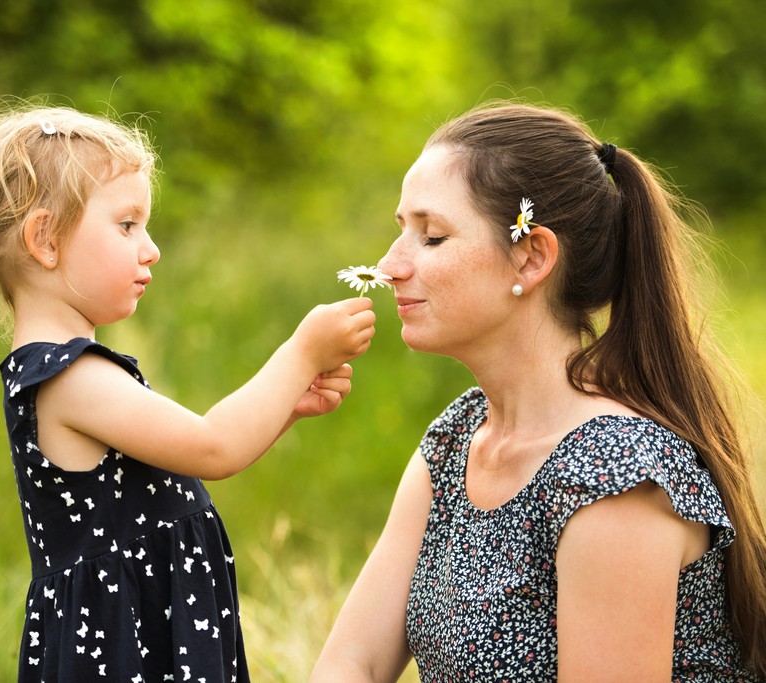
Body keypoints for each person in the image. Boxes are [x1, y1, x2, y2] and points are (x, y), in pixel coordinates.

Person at [0, 104, 376, 682]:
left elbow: (177, 459)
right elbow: (213, 446)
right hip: (129, 647)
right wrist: (301, 352)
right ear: (45, 239)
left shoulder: (67, 374)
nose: (150, 248)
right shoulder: (69, 378)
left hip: (145, 630)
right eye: (128, 225)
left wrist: (284, 409)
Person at [312, 102, 766, 682]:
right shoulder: (458, 438)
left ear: (530, 257)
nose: (390, 264)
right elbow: (354, 662)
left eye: (431, 236)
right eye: (400, 229)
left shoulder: (619, 475)